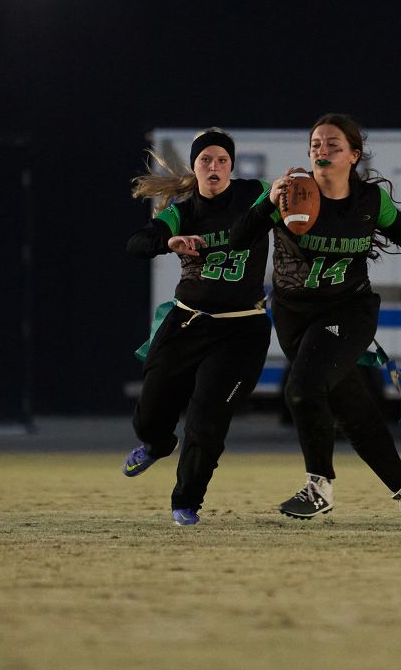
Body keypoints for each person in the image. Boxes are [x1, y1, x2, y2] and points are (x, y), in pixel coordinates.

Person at [230, 113, 401, 530]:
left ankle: (319, 485)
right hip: (295, 314)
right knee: (353, 410)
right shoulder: (291, 192)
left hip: (349, 310)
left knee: (302, 388)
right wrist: (264, 202)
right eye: (315, 144)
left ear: (353, 155)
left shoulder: (368, 201)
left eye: (332, 145)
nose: (321, 151)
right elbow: (239, 239)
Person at [122, 128, 273, 526]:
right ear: (194, 166)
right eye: (206, 159)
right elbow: (137, 243)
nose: (214, 166)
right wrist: (167, 243)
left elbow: (292, 204)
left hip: (241, 330)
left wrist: (293, 190)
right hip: (187, 321)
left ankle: (186, 500)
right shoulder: (182, 212)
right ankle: (156, 444)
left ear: (231, 165)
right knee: (149, 414)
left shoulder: (254, 192)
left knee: (207, 419)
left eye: (222, 159)